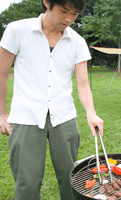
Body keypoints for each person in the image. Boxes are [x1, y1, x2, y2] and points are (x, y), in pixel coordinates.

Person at [0, 0, 104, 199]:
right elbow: (1, 74)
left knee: (72, 179)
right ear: (47, 2)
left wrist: (91, 112)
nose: (69, 19)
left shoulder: (77, 41)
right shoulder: (16, 30)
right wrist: (2, 113)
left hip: (64, 117)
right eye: (64, 11)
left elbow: (83, 84)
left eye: (74, 14)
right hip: (26, 117)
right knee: (27, 183)